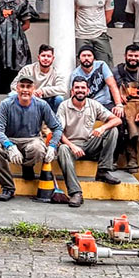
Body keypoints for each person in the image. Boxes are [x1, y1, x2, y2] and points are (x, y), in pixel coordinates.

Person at [0, 75, 65, 202]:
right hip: (11, 139)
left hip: (32, 139)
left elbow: (57, 127)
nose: (25, 90)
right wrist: (9, 145)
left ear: (34, 89)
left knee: (38, 148)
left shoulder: (42, 105)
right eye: (22, 86)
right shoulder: (6, 104)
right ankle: (8, 187)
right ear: (17, 88)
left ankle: (28, 166)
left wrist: (52, 146)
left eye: (28, 87)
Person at [55, 77, 123, 207]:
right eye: (77, 88)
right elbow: (59, 132)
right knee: (63, 149)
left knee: (112, 130)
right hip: (72, 146)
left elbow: (117, 120)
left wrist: (102, 127)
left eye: (82, 88)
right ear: (72, 90)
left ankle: (103, 170)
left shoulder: (93, 104)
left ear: (87, 90)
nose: (80, 90)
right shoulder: (64, 106)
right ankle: (75, 193)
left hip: (90, 143)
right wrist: (72, 146)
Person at [113, 44, 139, 173]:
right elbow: (112, 88)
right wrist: (119, 97)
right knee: (128, 122)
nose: (133, 58)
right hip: (126, 104)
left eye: (136, 56)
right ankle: (132, 159)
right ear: (125, 56)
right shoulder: (116, 71)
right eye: (130, 55)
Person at [74, 0, 115, 66]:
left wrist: (97, 26)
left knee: (106, 65)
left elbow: (108, 17)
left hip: (100, 34)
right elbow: (72, 15)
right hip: (81, 35)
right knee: (81, 64)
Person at [69, 46, 125, 116]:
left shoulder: (101, 65)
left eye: (89, 56)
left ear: (94, 58)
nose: (86, 58)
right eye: (83, 56)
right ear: (79, 58)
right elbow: (73, 94)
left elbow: (112, 85)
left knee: (120, 115)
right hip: (87, 107)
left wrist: (119, 105)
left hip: (105, 104)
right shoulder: (75, 74)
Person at [14, 44, 67, 112]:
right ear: (38, 57)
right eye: (43, 56)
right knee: (12, 95)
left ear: (53, 58)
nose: (45, 58)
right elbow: (14, 85)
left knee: (59, 99)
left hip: (48, 101)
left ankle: (53, 121)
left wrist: (42, 91)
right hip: (29, 99)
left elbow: (62, 89)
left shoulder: (56, 72)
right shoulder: (28, 69)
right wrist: (29, 91)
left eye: (48, 56)